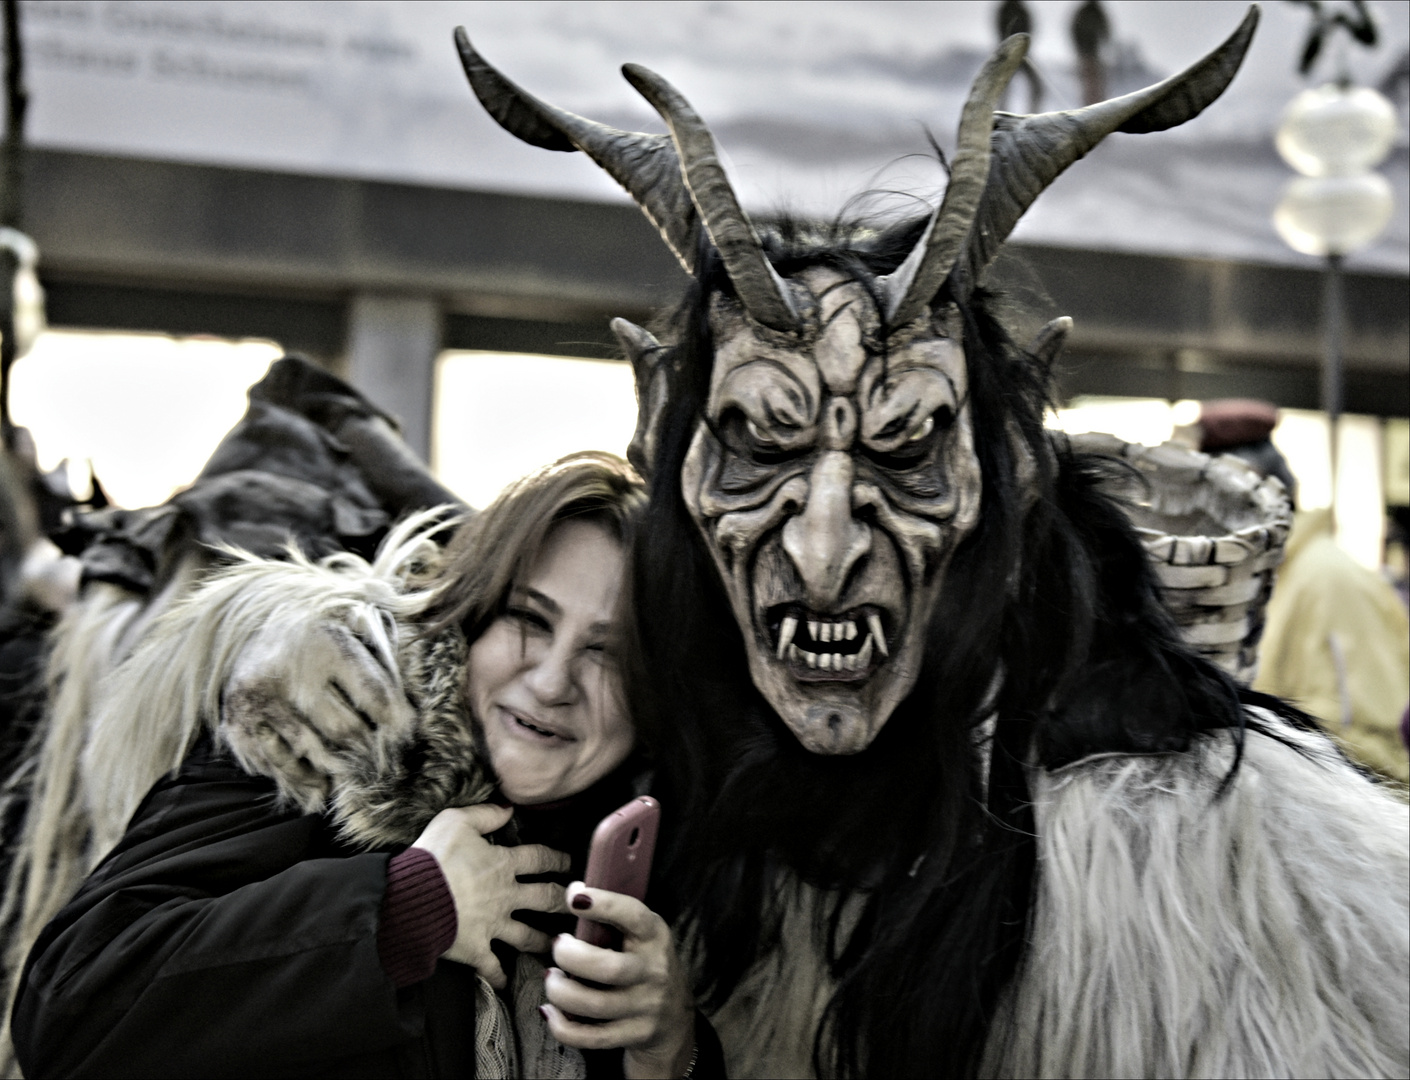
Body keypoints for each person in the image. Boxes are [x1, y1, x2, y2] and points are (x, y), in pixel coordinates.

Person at [10, 452, 715, 1078]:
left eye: (610, 653)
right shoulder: (321, 737)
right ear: (473, 613)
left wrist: (671, 1050)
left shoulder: (651, 882)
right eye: (529, 618)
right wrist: (404, 909)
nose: (554, 679)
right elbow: (73, 1011)